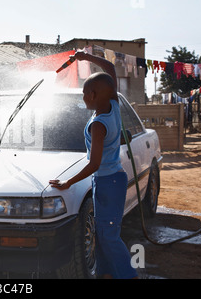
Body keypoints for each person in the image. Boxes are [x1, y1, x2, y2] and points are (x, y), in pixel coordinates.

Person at [49, 50, 138, 279]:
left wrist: (68, 182)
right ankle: (106, 274)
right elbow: (109, 68)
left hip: (107, 183)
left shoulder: (98, 125)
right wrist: (86, 58)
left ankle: (128, 275)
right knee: (104, 232)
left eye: (84, 94)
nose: (82, 98)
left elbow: (94, 164)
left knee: (108, 235)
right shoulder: (113, 104)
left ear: (94, 94)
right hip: (113, 180)